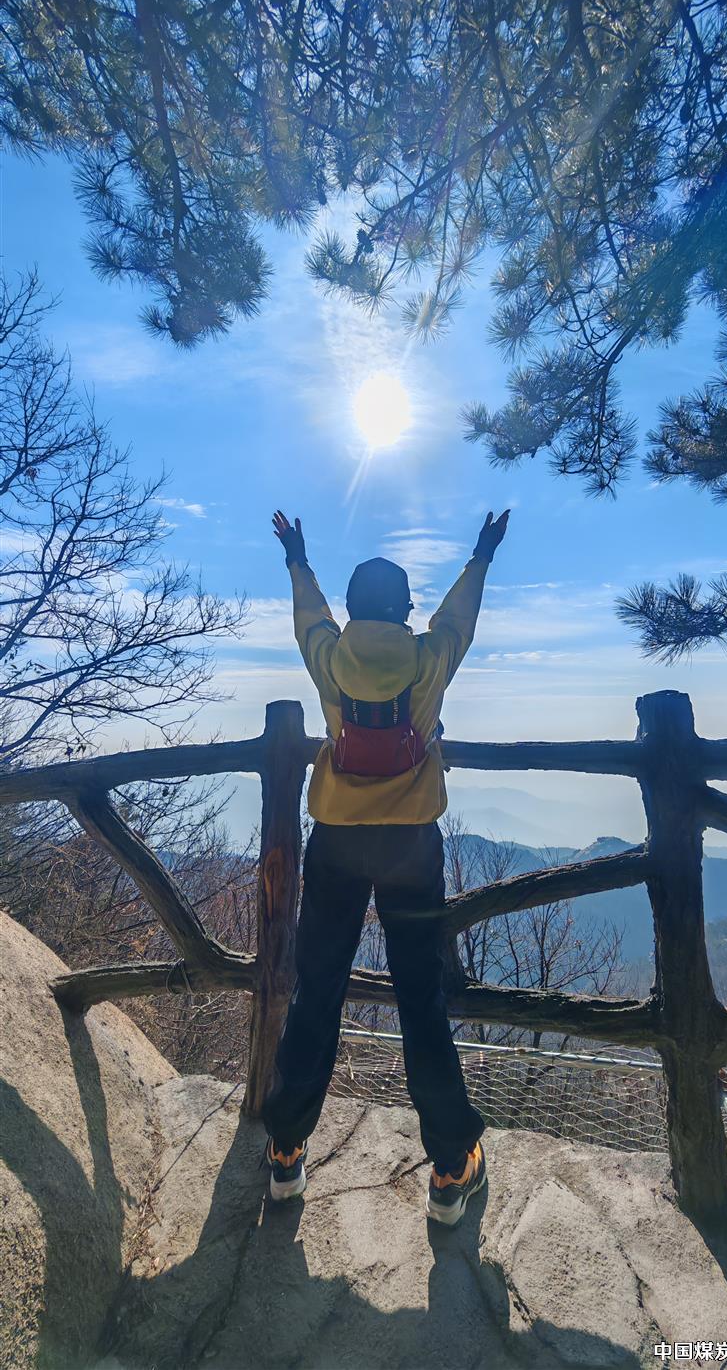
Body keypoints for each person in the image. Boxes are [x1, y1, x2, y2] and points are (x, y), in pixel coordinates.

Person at [263, 506, 510, 1226]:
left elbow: (306, 616)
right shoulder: (429, 659)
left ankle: (285, 1150)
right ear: (404, 610)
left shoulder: (330, 655)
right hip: (410, 843)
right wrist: (481, 554)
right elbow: (459, 618)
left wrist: (297, 557)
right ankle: (450, 1166)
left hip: (337, 839)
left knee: (318, 989)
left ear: (352, 609)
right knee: (420, 1000)